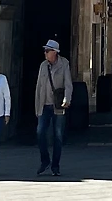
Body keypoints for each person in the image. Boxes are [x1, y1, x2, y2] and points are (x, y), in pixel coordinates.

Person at [34, 38, 73, 177]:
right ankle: (45, 160)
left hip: (58, 106)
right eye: (45, 50)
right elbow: (39, 87)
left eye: (47, 50)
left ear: (54, 52)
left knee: (58, 136)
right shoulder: (43, 66)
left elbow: (68, 84)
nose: (45, 53)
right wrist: (37, 107)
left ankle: (55, 166)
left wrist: (67, 99)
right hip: (44, 105)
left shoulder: (64, 64)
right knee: (40, 132)